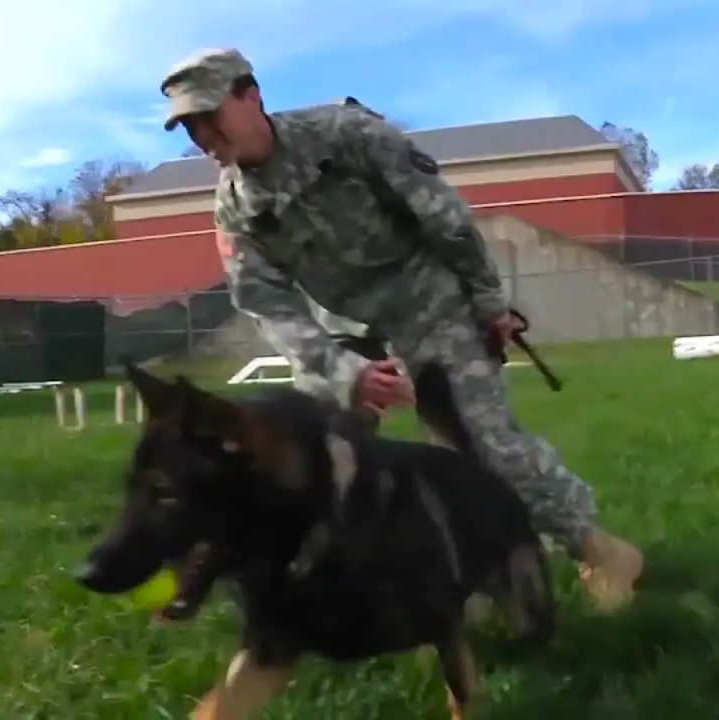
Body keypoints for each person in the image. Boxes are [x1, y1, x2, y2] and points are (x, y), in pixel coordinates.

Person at [158, 48, 643, 610]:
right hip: (342, 328)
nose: (206, 140)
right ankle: (370, 582)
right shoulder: (235, 208)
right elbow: (266, 304)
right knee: (318, 458)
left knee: (485, 445)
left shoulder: (345, 134)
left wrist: (488, 303)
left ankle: (598, 549)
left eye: (210, 118)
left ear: (251, 96)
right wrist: (344, 373)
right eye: (191, 130)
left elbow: (443, 215)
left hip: (427, 303)